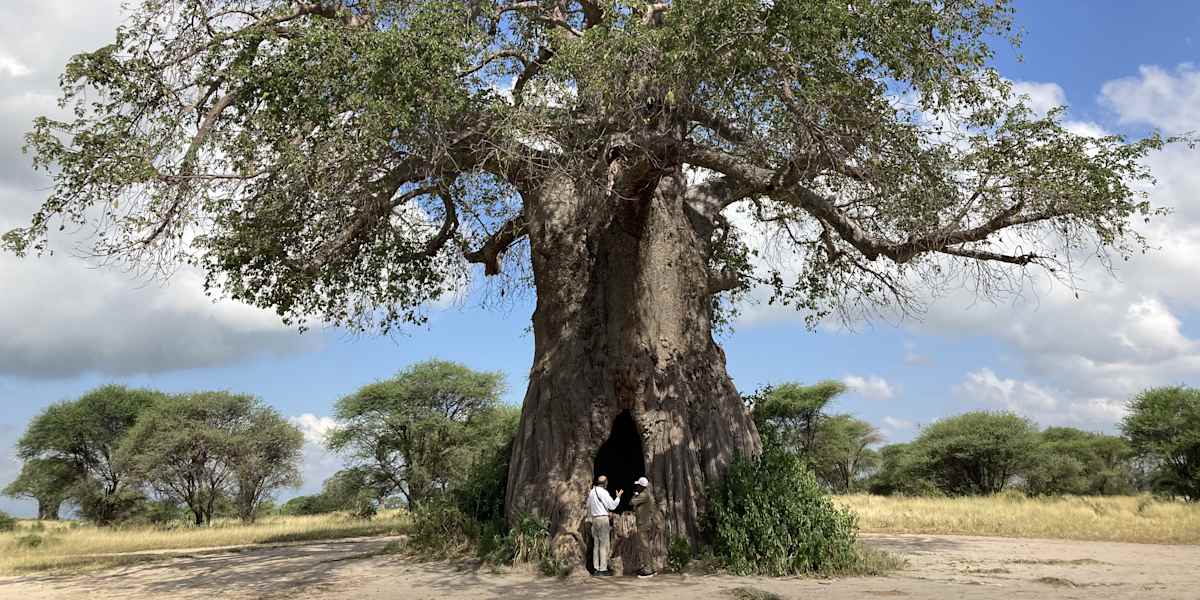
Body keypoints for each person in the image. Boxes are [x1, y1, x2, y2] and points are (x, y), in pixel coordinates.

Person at [586, 475, 622, 576]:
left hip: (594, 520)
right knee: (603, 545)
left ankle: (596, 568)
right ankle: (603, 569)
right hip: (602, 520)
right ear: (605, 483)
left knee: (596, 545)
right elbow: (612, 506)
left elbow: (588, 505)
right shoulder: (604, 492)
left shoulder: (592, 492)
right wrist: (618, 497)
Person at [629, 476, 658, 578]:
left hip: (643, 524)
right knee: (646, 546)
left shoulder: (643, 495)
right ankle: (650, 567)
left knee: (644, 546)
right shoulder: (646, 494)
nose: (636, 487)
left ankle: (648, 570)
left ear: (641, 486)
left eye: (638, 485)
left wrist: (635, 495)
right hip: (646, 523)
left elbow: (631, 502)